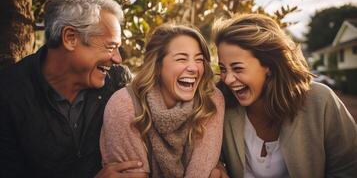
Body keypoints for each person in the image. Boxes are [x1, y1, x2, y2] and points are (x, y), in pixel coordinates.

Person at [0, 0, 144, 178]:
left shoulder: (117, 83)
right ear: (70, 38)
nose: (118, 58)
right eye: (111, 47)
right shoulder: (8, 95)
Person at [212, 13, 357, 178]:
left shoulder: (321, 101)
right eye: (223, 69)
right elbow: (209, 154)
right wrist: (218, 166)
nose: (228, 79)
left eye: (237, 68)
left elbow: (348, 168)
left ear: (269, 66)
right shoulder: (223, 106)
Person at [100, 24, 225, 178]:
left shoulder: (210, 99)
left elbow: (200, 173)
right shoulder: (125, 105)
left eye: (199, 59)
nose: (193, 67)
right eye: (181, 59)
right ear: (158, 66)